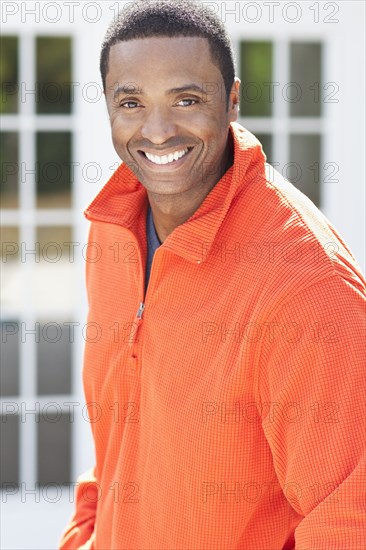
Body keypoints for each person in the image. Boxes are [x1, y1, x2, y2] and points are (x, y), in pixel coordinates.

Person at [59, 1, 366, 548]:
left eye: (187, 99)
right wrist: (86, 533)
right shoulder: (114, 228)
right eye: (131, 102)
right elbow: (124, 429)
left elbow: (349, 520)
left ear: (232, 100)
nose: (157, 131)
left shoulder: (308, 286)